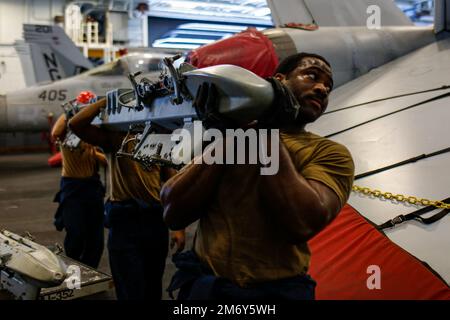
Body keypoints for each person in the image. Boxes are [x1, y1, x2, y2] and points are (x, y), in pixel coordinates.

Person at [161, 52, 355, 300]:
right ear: (279, 80)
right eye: (312, 76)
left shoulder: (330, 154)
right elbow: (173, 212)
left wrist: (265, 129)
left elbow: (302, 222)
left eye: (328, 86)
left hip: (275, 294)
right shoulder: (231, 136)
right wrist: (228, 138)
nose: (321, 88)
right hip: (207, 288)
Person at [68, 97, 185, 300]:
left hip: (155, 219)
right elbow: (76, 124)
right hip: (125, 221)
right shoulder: (116, 139)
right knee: (130, 289)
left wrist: (177, 226)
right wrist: (106, 101)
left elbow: (170, 182)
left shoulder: (158, 139)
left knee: (152, 287)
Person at [51, 92, 106, 269]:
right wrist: (68, 114)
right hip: (73, 188)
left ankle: (91, 274)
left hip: (92, 187)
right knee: (75, 235)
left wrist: (96, 154)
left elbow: (107, 156)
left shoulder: (93, 131)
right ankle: (74, 278)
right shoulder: (67, 131)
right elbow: (55, 132)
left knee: (95, 238)